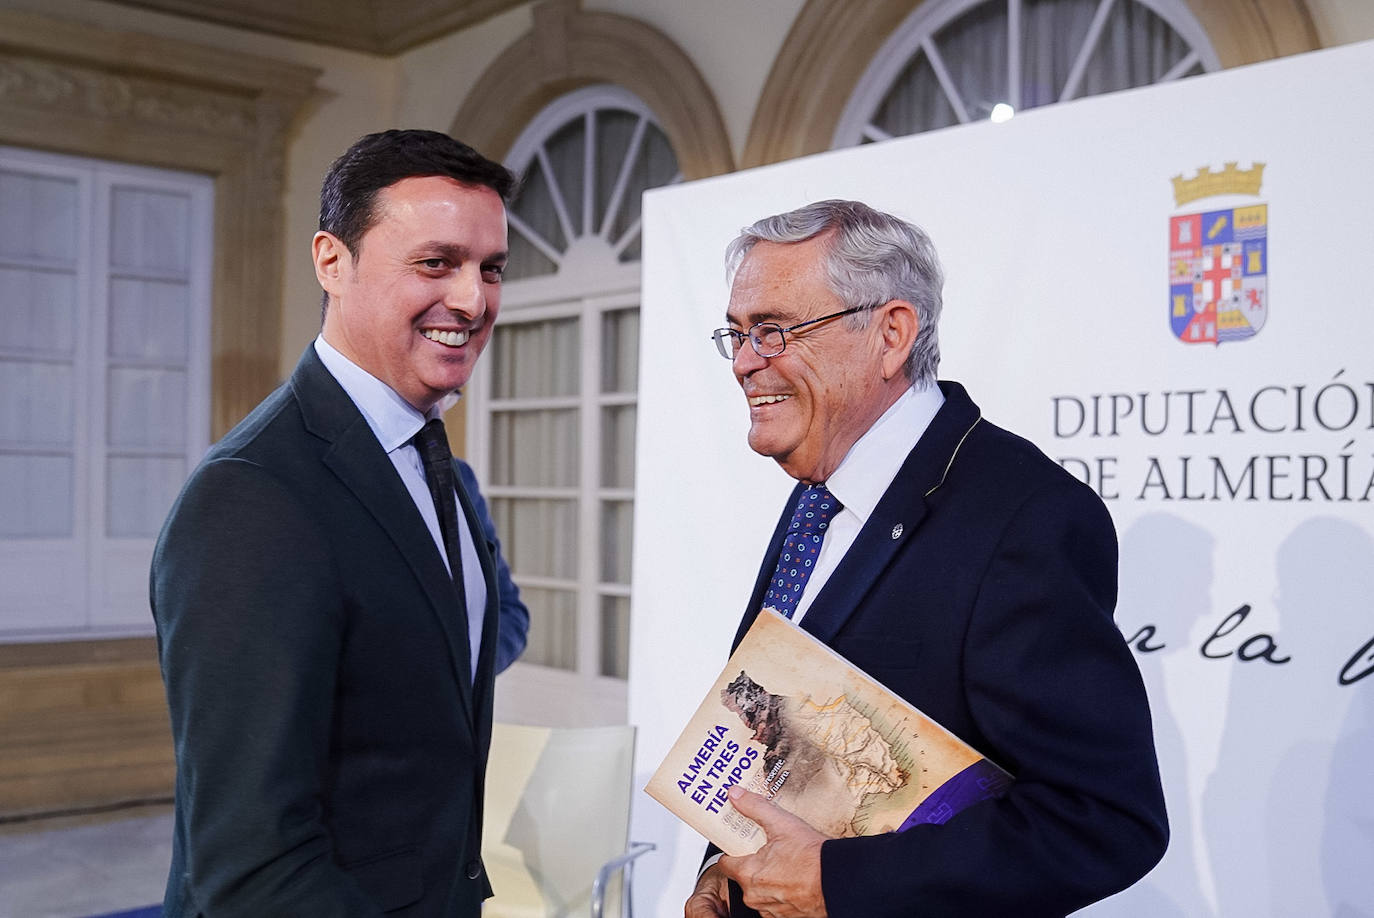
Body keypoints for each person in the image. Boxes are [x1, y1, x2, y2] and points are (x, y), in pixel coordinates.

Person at [685, 200, 1168, 918]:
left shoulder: (1024, 515)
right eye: (739, 333)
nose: (748, 362)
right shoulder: (817, 492)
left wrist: (839, 883)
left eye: (776, 330)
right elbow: (775, 727)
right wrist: (722, 874)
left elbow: (1104, 820)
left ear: (890, 334)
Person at [152, 129, 525, 916]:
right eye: (436, 262)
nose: (473, 299)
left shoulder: (436, 464)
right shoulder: (251, 496)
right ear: (332, 260)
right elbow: (253, 869)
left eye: (490, 269)